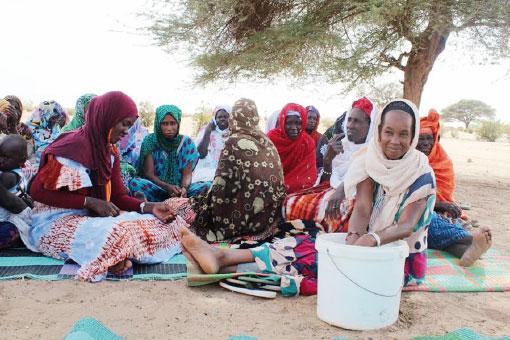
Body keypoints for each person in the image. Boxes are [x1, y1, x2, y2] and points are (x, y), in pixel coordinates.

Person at [180, 98, 436, 295]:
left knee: (319, 261)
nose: (394, 140)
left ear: (413, 136)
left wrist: (370, 240)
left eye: (404, 134)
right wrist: (354, 238)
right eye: (389, 132)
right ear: (379, 131)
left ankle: (226, 261)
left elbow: (406, 225)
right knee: (312, 243)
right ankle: (226, 258)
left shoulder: (420, 173)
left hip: (399, 262)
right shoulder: (373, 162)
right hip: (369, 248)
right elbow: (363, 208)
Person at [27, 91, 190, 281]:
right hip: (54, 221)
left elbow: (118, 197)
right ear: (108, 118)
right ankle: (115, 256)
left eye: (130, 125)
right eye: (124, 124)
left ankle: (118, 255)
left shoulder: (109, 151)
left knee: (167, 219)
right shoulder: (72, 147)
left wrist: (148, 207)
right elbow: (37, 192)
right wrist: (89, 202)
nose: (127, 131)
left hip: (87, 218)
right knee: (116, 233)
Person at [190, 98, 286, 243]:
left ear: (233, 117)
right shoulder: (267, 141)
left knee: (194, 205)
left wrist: (207, 208)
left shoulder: (233, 141)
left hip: (240, 219)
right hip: (269, 217)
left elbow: (219, 186)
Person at [283, 97, 377, 233]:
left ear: (370, 125)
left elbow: (364, 182)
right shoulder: (341, 145)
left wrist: (342, 189)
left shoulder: (374, 150)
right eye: (349, 119)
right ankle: (309, 233)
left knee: (341, 211)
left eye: (357, 121)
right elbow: (326, 182)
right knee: (290, 202)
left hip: (357, 197)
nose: (350, 125)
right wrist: (328, 160)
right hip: (331, 191)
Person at [417, 109, 491, 266]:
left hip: (440, 213)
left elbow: (445, 195)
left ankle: (467, 251)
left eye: (429, 139)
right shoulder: (410, 161)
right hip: (421, 212)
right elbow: (411, 197)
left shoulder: (442, 161)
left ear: (436, 140)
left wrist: (443, 206)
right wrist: (438, 204)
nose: (425, 143)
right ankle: (470, 240)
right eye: (420, 139)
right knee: (430, 222)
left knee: (438, 229)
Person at [129, 105, 207, 201]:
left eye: (173, 123)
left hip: (179, 190)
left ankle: (181, 200)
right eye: (164, 124)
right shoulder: (149, 141)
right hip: (157, 188)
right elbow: (149, 174)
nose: (169, 128)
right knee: (134, 183)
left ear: (178, 123)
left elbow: (187, 174)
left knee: (208, 187)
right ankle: (162, 203)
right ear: (158, 124)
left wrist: (184, 189)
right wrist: (167, 187)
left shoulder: (186, 142)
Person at [268, 103, 317, 194]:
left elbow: (309, 174)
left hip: (297, 192)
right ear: (282, 122)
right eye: (289, 123)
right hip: (270, 188)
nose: (294, 128)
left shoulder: (307, 142)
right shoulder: (271, 139)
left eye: (298, 123)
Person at [0, 135, 32, 249]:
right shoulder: (20, 171)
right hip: (13, 217)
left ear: (21, 160)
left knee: (5, 232)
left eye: (6, 157)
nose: (1, 160)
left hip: (7, 219)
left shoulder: (9, 176)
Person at [192, 105, 231, 185]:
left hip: (227, 171)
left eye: (225, 116)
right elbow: (201, 154)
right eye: (219, 117)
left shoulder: (234, 133)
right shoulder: (206, 131)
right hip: (207, 171)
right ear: (214, 119)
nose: (222, 119)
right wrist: (208, 131)